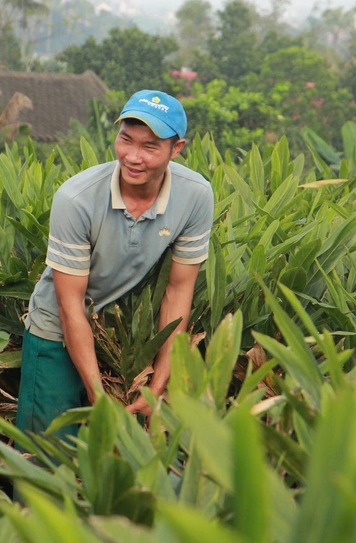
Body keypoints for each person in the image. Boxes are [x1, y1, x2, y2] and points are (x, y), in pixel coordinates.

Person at [16, 89, 214, 439]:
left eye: (150, 146)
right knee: (46, 455)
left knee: (122, 458)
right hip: (56, 331)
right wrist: (96, 393)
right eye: (126, 140)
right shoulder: (76, 199)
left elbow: (178, 290)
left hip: (119, 334)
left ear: (176, 149)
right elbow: (68, 305)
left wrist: (160, 382)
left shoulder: (195, 195)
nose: (133, 157)